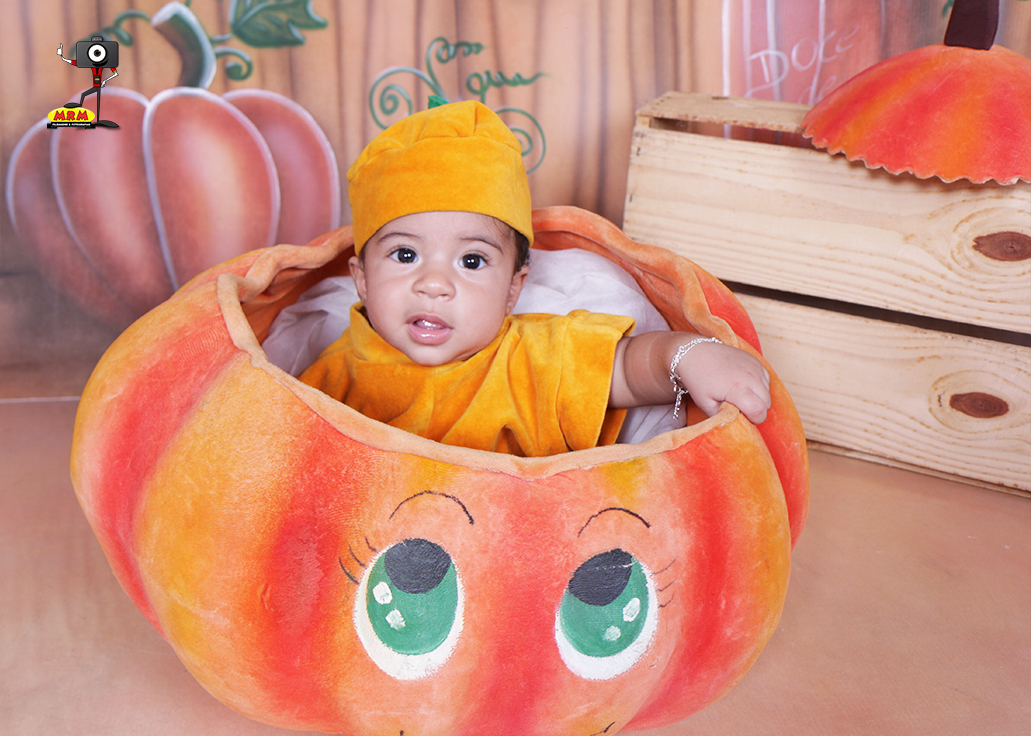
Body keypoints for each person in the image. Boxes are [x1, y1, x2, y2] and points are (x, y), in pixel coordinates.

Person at [299, 100, 771, 456]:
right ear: (362, 279)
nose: (434, 284)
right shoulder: (330, 377)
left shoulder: (534, 360)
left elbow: (627, 368)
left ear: (513, 289)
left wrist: (687, 354)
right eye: (406, 255)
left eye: (471, 261)